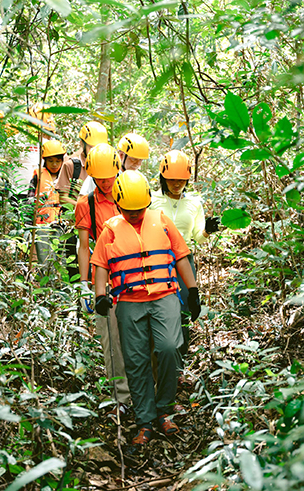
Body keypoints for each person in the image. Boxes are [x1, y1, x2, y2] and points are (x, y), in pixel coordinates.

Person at [91, 170, 202, 446]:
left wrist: (193, 291)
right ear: (118, 205)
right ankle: (145, 421)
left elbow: (182, 257)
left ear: (148, 202)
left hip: (164, 296)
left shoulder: (162, 222)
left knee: (167, 348)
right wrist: (100, 295)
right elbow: (101, 265)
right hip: (129, 303)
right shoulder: (110, 230)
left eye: (139, 209)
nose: (134, 214)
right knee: (136, 361)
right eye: (128, 210)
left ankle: (163, 409)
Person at [74, 144, 131, 416]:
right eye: (100, 177)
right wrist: (85, 286)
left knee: (143, 337)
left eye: (109, 176)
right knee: (111, 338)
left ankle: (149, 391)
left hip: (136, 275)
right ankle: (121, 398)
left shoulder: (131, 195)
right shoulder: (87, 204)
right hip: (105, 278)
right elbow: (84, 246)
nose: (106, 182)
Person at [149, 150, 220, 359]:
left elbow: (198, 237)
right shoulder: (151, 200)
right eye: (171, 179)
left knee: (183, 310)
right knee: (158, 308)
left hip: (183, 261)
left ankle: (179, 361)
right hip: (156, 259)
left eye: (181, 180)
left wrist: (207, 230)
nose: (176, 184)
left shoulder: (194, 203)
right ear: (163, 178)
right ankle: (157, 357)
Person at [56, 121, 109, 281]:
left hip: (100, 226)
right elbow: (63, 197)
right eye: (92, 147)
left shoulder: (106, 165)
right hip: (76, 224)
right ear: (83, 144)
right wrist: (86, 207)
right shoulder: (72, 165)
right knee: (76, 269)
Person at [28, 139, 67, 268]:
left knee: (62, 262)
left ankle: (61, 287)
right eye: (51, 161)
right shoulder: (38, 175)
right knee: (44, 260)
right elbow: (30, 200)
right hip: (42, 225)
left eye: (58, 161)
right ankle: (46, 286)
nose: (55, 164)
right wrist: (29, 226)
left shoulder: (67, 175)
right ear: (45, 160)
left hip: (62, 225)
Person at [80, 131, 150, 196]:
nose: (138, 163)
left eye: (141, 160)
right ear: (121, 155)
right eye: (133, 159)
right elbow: (82, 198)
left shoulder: (141, 179)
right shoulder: (102, 173)